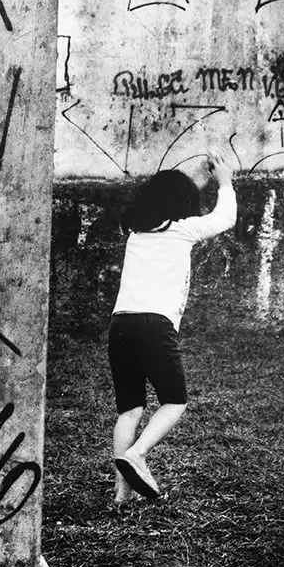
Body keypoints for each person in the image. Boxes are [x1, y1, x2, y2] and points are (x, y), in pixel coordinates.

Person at [109, 152, 237, 505]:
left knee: (129, 410)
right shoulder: (182, 231)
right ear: (183, 205)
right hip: (155, 325)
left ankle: (122, 492)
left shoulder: (135, 233)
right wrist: (223, 182)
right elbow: (225, 217)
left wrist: (197, 179)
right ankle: (137, 455)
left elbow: (167, 193)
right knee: (174, 401)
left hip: (120, 325)